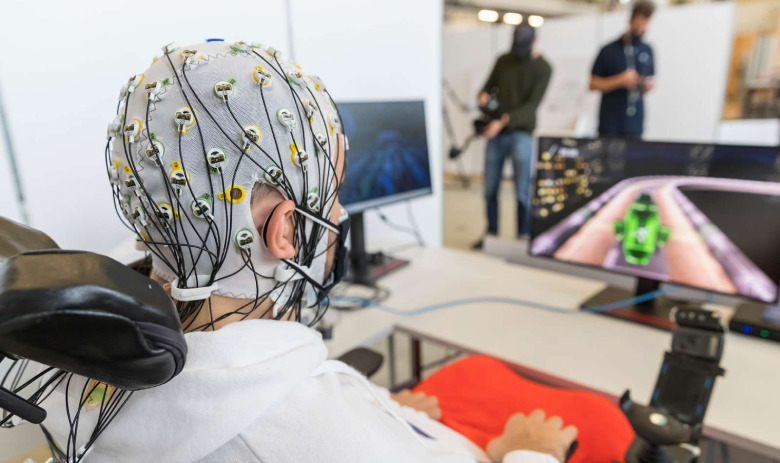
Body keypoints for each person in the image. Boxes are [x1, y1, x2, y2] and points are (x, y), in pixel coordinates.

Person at [39, 40, 577, 463]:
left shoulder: (79, 376)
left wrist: (386, 418)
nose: (339, 215)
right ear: (287, 232)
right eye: (334, 195)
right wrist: (532, 451)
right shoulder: (327, 439)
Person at [474, 24, 552, 250]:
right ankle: (491, 235)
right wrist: (483, 98)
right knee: (489, 188)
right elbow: (487, 87)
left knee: (522, 191)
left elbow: (531, 107)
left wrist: (503, 121)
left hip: (521, 134)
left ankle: (523, 237)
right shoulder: (503, 61)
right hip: (496, 134)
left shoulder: (543, 68)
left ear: (534, 41)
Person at [590, 0, 656, 138]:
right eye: (639, 22)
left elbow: (650, 80)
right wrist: (620, 80)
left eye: (645, 23)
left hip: (635, 124)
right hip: (610, 124)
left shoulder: (647, 50)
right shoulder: (608, 50)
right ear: (631, 20)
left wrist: (645, 84)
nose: (641, 27)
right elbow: (593, 84)